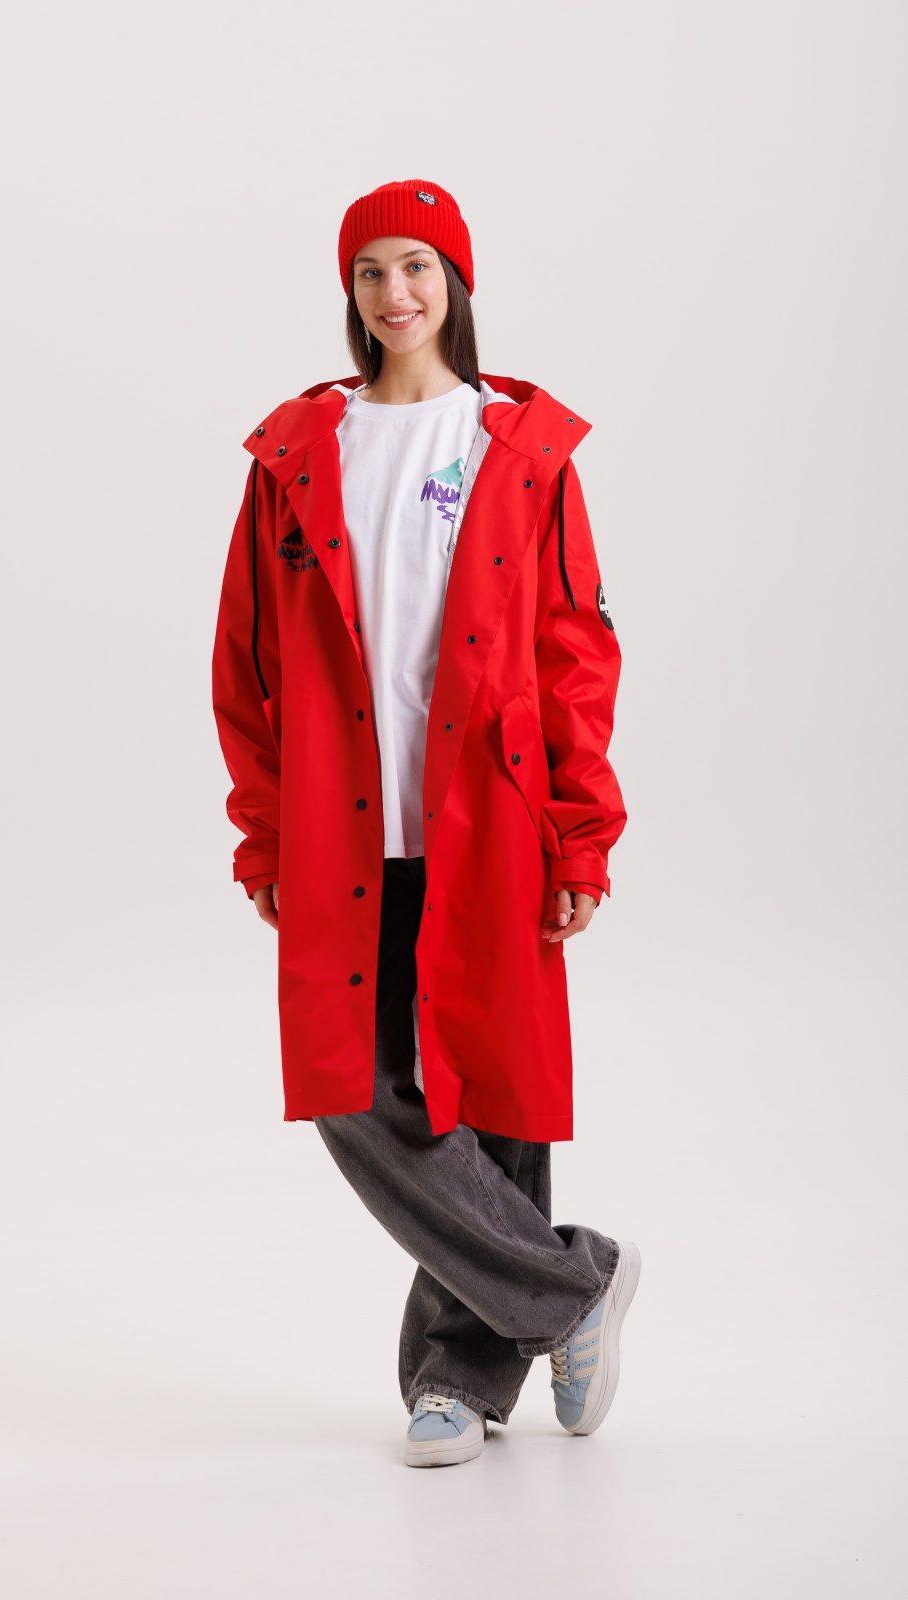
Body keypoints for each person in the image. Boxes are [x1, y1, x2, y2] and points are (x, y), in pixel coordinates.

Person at [211, 179, 640, 1468]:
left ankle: (457, 1383)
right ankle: (569, 1289)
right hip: (342, 829)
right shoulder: (300, 451)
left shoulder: (520, 448)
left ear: (455, 280)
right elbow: (247, 663)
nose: (395, 295)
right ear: (348, 293)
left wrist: (580, 832)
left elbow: (574, 655)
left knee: (492, 1092)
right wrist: (264, 831)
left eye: (417, 267)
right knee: (357, 1089)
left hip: (489, 818)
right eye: (370, 273)